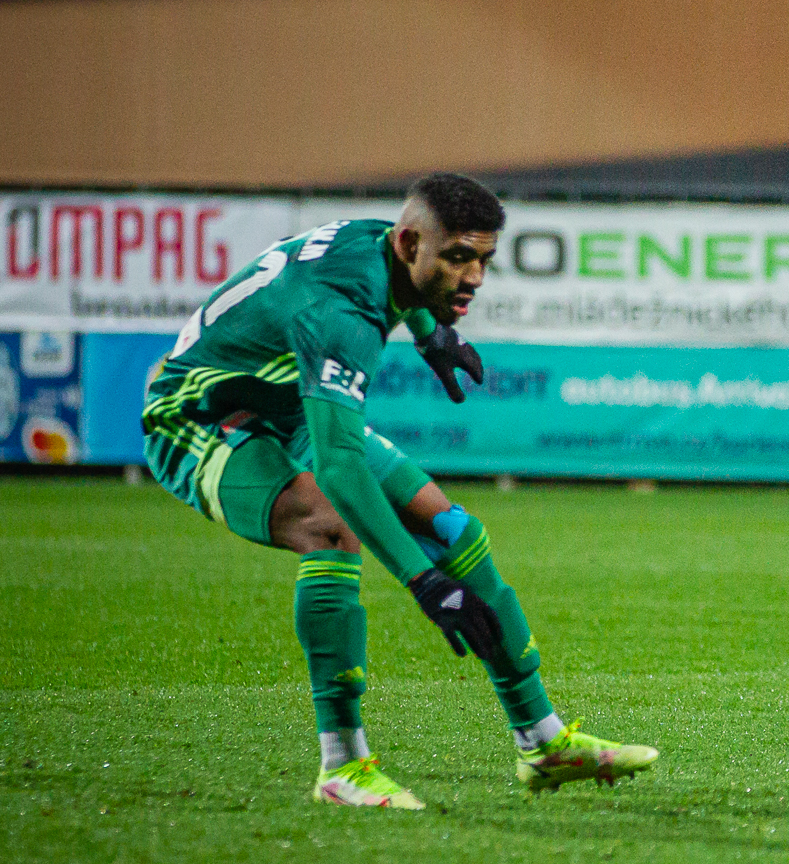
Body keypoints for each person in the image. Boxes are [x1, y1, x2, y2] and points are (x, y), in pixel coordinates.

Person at [142, 174, 658, 809]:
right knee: (331, 528)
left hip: (285, 403)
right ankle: (342, 767)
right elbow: (339, 467)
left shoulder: (381, 245)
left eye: (484, 259)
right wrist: (423, 582)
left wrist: (431, 334)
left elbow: (400, 287)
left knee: (453, 530)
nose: (474, 277)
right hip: (200, 417)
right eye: (458, 257)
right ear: (412, 243)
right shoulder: (340, 313)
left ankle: (542, 742)